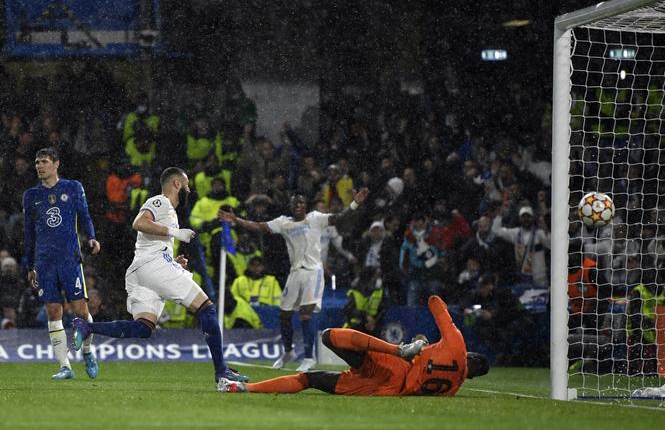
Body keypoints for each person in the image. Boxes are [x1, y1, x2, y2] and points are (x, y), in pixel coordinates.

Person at [71, 167, 247, 385]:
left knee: (144, 328)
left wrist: (173, 263)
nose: (189, 189)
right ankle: (222, 372)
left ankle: (86, 326)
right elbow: (139, 223)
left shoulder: (170, 212)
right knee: (207, 308)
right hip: (153, 268)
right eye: (187, 184)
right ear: (176, 185)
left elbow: (151, 244)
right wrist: (175, 233)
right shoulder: (161, 201)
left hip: (144, 271)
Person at [218, 187, 370, 372]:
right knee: (284, 315)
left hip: (313, 272)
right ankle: (288, 352)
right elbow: (259, 226)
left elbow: (339, 217)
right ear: (290, 206)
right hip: (295, 273)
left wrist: (355, 203)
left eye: (301, 203)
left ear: (305, 206)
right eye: (295, 202)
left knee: (306, 312)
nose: (298, 205)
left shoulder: (315, 218)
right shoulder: (284, 223)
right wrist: (236, 220)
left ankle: (309, 357)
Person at [217, 295, 489, 395]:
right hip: (386, 389)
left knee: (328, 336)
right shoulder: (453, 388)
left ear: (470, 354)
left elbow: (435, 302)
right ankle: (244, 388)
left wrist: (423, 341)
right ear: (471, 376)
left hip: (393, 365)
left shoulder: (457, 346)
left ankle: (397, 348)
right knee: (309, 380)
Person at [22, 148, 101, 380]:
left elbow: (84, 215)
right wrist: (29, 265)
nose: (39, 166)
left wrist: (92, 236)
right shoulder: (30, 195)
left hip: (69, 258)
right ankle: (64, 366)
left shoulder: (73, 187)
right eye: (37, 162)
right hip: (44, 261)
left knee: (80, 311)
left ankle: (87, 351)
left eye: (44, 161)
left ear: (56, 164)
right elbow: (28, 232)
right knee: (53, 311)